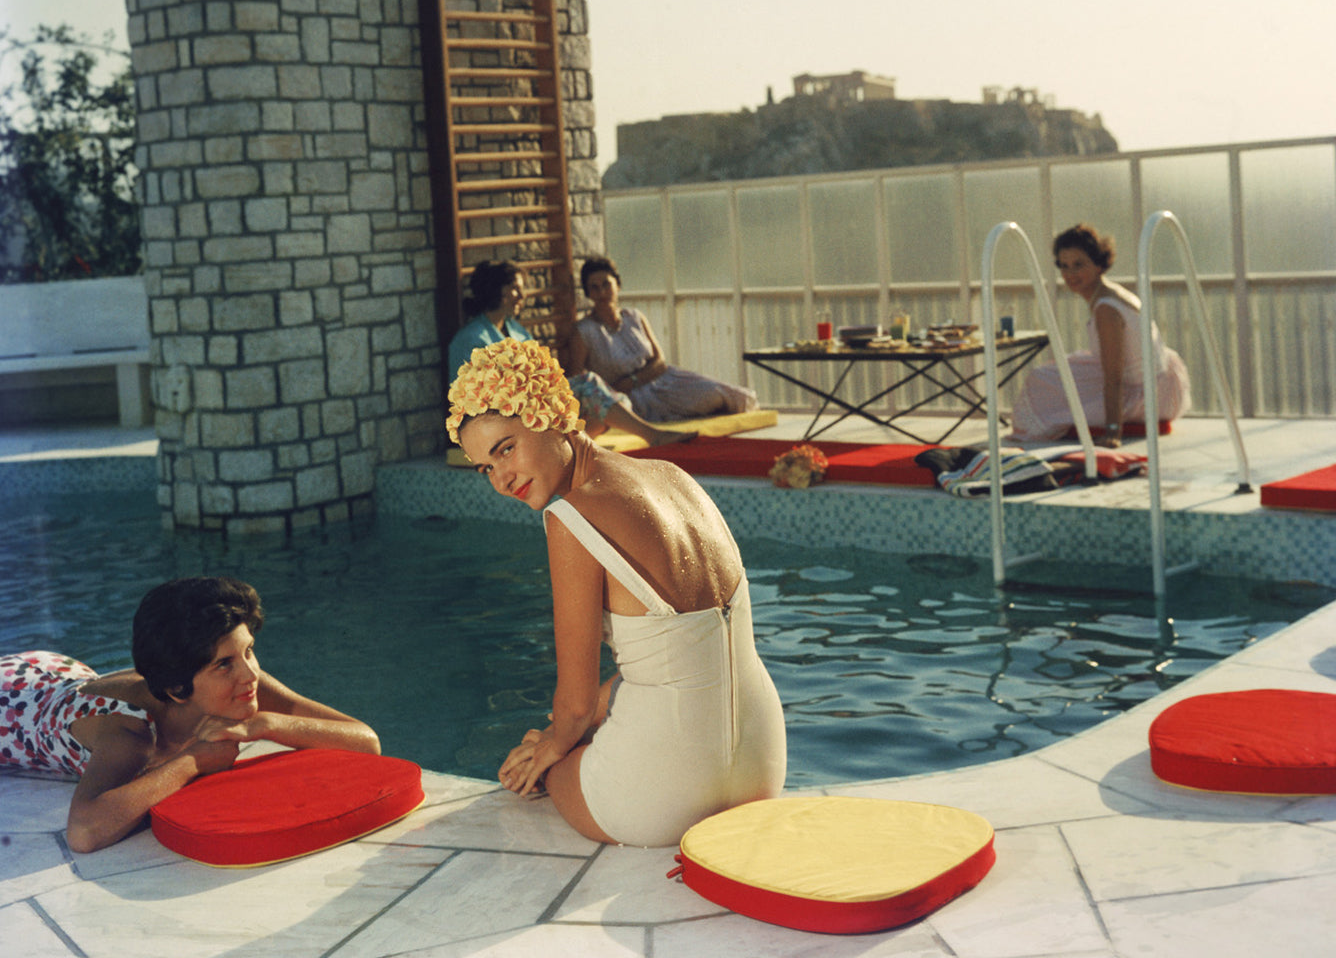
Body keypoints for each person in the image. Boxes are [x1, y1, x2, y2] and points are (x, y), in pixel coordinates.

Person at [448, 340, 786, 848]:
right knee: (591, 718)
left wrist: (550, 747)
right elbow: (680, 650)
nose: (501, 479)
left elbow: (577, 703)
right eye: (484, 468)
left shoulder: (570, 518)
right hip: (762, 764)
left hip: (666, 794)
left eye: (505, 449)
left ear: (548, 415)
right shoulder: (675, 479)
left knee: (552, 763)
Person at [0, 577, 380, 853]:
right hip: (12, 704)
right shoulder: (130, 732)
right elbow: (84, 831)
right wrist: (191, 760)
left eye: (249, 650)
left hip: (55, 671)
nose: (250, 673)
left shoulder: (244, 682)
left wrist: (267, 724)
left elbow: (366, 741)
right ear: (176, 689)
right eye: (224, 664)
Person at [449, 259, 692, 447]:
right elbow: (472, 400)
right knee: (589, 385)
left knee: (615, 403)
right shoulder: (471, 339)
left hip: (531, 408)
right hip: (500, 420)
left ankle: (571, 446)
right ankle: (653, 436)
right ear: (497, 292)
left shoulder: (516, 331)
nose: (522, 296)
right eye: (515, 289)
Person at [1011, 223, 1192, 447]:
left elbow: (1113, 377)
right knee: (1052, 371)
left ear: (1098, 264)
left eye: (1079, 265)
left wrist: (1113, 432)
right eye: (1064, 266)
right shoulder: (1107, 292)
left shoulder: (1106, 308)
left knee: (1041, 381)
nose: (1070, 274)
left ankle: (1107, 420)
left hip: (1149, 395)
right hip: (1157, 379)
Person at [570, 256, 758, 424]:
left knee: (719, 394)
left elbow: (660, 362)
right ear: (588, 293)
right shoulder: (584, 331)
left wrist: (634, 380)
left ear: (617, 285)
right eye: (594, 288)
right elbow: (579, 381)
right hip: (624, 397)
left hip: (663, 381)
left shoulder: (634, 317)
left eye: (606, 284)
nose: (602, 292)